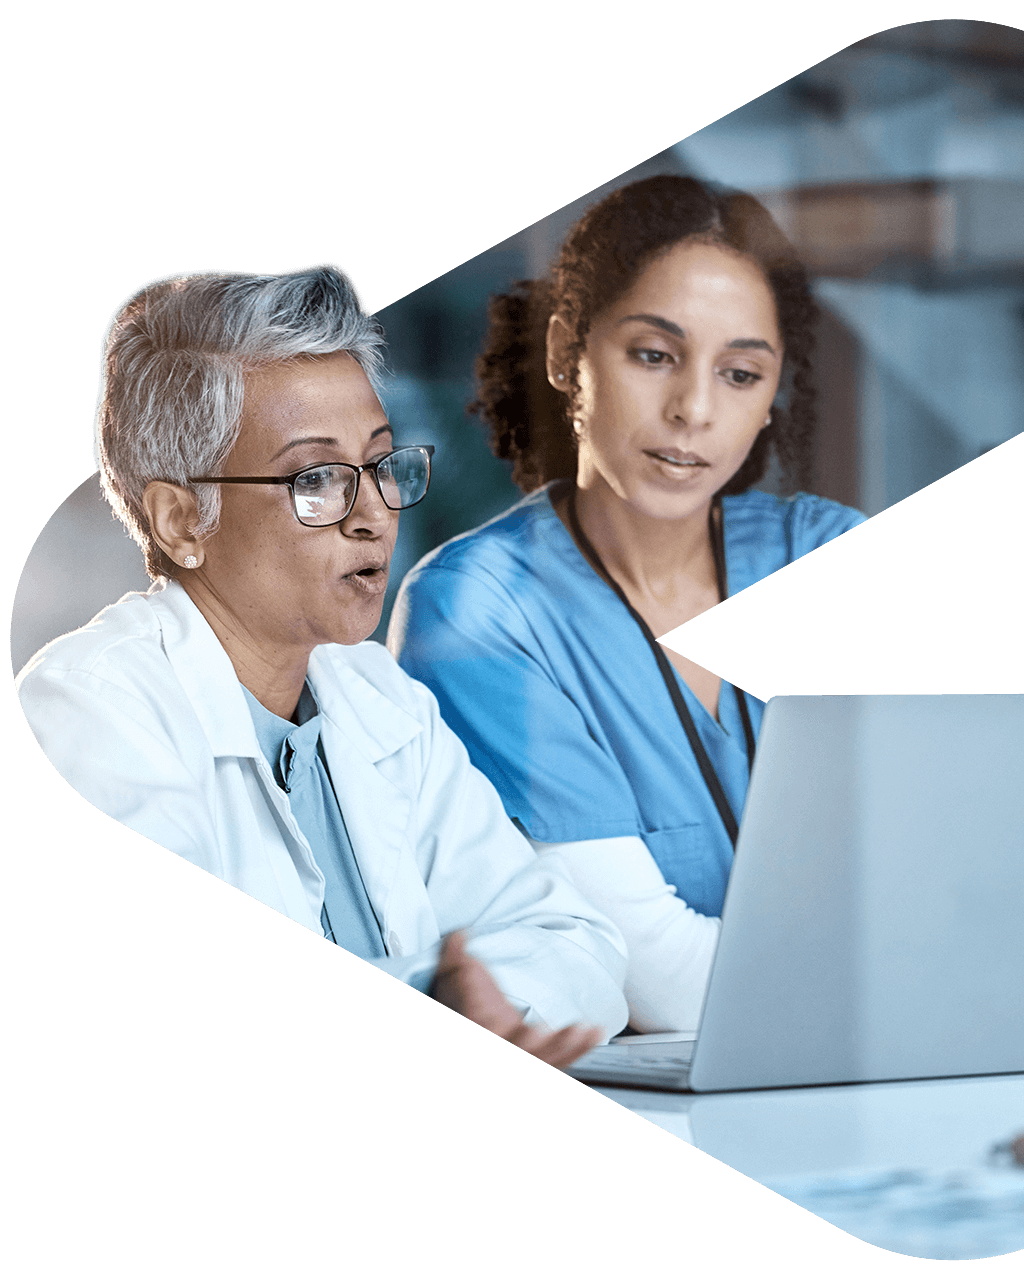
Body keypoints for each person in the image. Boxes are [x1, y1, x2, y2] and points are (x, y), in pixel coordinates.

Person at [16, 264, 628, 1066]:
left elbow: (573, 940)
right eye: (316, 479)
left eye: (380, 464)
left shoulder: (378, 699)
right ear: (178, 519)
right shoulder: (88, 718)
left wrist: (495, 1004)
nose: (374, 514)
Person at [388, 177, 865, 1033]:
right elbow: (663, 985)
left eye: (741, 373)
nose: (694, 409)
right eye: (654, 354)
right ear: (568, 352)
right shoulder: (481, 612)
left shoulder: (817, 547)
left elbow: (964, 874)